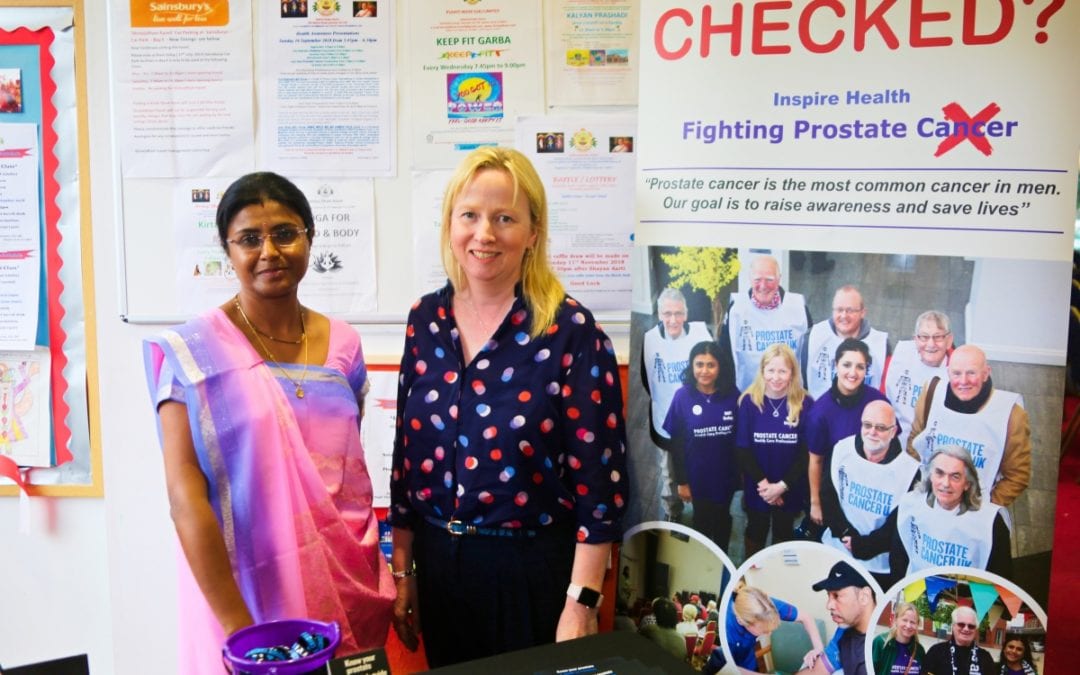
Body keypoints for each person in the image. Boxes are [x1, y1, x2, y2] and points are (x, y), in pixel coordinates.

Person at [143, 172, 394, 673]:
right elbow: (183, 497)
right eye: (249, 239)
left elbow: (345, 475)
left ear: (310, 237)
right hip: (245, 594)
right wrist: (242, 634)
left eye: (285, 233)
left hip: (348, 579)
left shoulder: (345, 343)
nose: (269, 251)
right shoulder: (192, 354)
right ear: (226, 249)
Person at [388, 147, 627, 666]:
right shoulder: (424, 320)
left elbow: (601, 487)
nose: (484, 234)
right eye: (469, 215)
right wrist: (403, 572)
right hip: (440, 568)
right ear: (450, 223)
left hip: (532, 573)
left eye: (504, 218)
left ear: (533, 232)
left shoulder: (570, 331)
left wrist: (583, 601)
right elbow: (405, 462)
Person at [907, 344, 1031, 507]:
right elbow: (915, 442)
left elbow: (1017, 475)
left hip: (974, 509)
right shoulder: (931, 394)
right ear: (948, 372)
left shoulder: (1011, 415)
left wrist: (984, 507)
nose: (963, 381)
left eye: (971, 373)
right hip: (930, 500)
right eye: (956, 373)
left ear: (986, 373)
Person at [820, 401, 920, 590]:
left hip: (879, 564)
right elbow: (828, 497)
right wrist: (845, 534)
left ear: (893, 431)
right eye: (867, 425)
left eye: (881, 428)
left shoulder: (910, 471)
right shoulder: (842, 449)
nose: (872, 432)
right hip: (836, 549)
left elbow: (899, 523)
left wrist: (866, 546)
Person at [642, 287, 714, 522]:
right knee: (669, 474)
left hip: (699, 421)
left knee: (702, 467)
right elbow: (646, 378)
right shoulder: (650, 339)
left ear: (686, 313)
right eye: (667, 314)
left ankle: (704, 507)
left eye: (679, 313)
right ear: (659, 314)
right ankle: (673, 511)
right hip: (665, 420)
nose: (673, 320)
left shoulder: (701, 335)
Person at [735, 343, 813, 557]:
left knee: (784, 530)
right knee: (755, 528)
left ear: (792, 373)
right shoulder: (749, 402)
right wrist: (766, 487)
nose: (776, 377)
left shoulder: (805, 403)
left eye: (782, 371)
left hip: (790, 486)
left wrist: (781, 487)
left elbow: (806, 453)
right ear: (762, 371)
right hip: (758, 486)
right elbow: (742, 449)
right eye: (771, 370)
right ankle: (750, 574)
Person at [662, 340, 739, 550]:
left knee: (723, 516)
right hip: (696, 477)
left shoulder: (733, 395)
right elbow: (676, 445)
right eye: (699, 364)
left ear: (720, 367)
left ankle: (721, 557)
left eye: (711, 365)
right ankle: (703, 559)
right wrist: (682, 482)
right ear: (691, 366)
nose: (704, 371)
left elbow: (739, 440)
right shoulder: (682, 396)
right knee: (702, 519)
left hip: (725, 477)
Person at [806, 338, 892, 527]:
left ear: (866, 370)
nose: (853, 373)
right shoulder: (820, 411)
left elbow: (892, 443)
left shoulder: (877, 401)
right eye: (846, 365)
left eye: (860, 367)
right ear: (836, 365)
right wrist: (815, 502)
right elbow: (816, 461)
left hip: (870, 491)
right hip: (834, 491)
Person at [892, 445, 1012, 579]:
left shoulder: (990, 522)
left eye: (955, 476)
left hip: (969, 597)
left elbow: (1002, 578)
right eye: (939, 473)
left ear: (967, 483)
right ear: (930, 476)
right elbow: (898, 561)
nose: (945, 483)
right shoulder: (910, 506)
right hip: (916, 594)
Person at [722, 254, 812, 391]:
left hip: (791, 397)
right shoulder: (737, 309)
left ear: (779, 279)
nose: (763, 286)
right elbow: (725, 352)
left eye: (769, 279)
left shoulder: (798, 307)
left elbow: (809, 352)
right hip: (749, 396)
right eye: (758, 279)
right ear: (750, 279)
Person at [711, 584, 825, 674]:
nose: (769, 634)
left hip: (748, 661)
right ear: (742, 621)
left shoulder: (766, 606)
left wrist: (818, 649)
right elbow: (726, 668)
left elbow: (806, 617)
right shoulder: (727, 633)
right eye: (765, 631)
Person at [881, 311, 953, 450]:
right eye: (924, 337)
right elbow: (882, 396)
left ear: (949, 340)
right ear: (915, 339)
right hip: (893, 442)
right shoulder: (898, 360)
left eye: (938, 337)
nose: (930, 344)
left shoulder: (957, 372)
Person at [806, 286, 889, 399]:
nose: (844, 316)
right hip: (821, 411)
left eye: (850, 310)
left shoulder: (881, 344)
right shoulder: (812, 336)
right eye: (839, 310)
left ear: (863, 312)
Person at [812, 560, 876, 675]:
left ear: (864, 597)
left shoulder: (877, 650)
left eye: (836, 596)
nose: (828, 605)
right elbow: (817, 670)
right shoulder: (845, 628)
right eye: (829, 596)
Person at [921, 606, 994, 675]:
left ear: (976, 630)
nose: (966, 629)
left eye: (971, 626)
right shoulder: (936, 652)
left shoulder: (985, 657)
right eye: (961, 624)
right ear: (953, 626)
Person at [871, 601, 926, 675]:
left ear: (917, 624)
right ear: (896, 619)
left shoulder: (920, 650)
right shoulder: (880, 643)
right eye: (905, 620)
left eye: (912, 622)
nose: (908, 625)